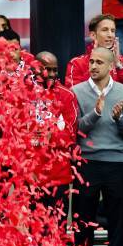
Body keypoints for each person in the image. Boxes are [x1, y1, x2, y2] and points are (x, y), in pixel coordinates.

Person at [72, 47, 123, 246]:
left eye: (99, 62)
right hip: (87, 163)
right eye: (91, 61)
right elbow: (76, 129)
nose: (93, 66)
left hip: (117, 164)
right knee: (83, 219)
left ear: (111, 66)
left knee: (119, 221)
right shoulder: (77, 92)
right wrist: (96, 114)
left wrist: (119, 118)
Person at [31, 51, 78, 210]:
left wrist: (51, 136)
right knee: (30, 230)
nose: (52, 74)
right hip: (29, 174)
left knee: (57, 229)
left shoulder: (67, 95)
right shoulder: (22, 93)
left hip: (57, 175)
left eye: (54, 70)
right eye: (47, 69)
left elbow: (71, 133)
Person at [65, 14, 123, 89]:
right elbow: (74, 96)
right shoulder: (76, 63)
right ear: (93, 35)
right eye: (105, 30)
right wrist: (94, 63)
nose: (110, 35)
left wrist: (119, 65)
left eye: (113, 31)